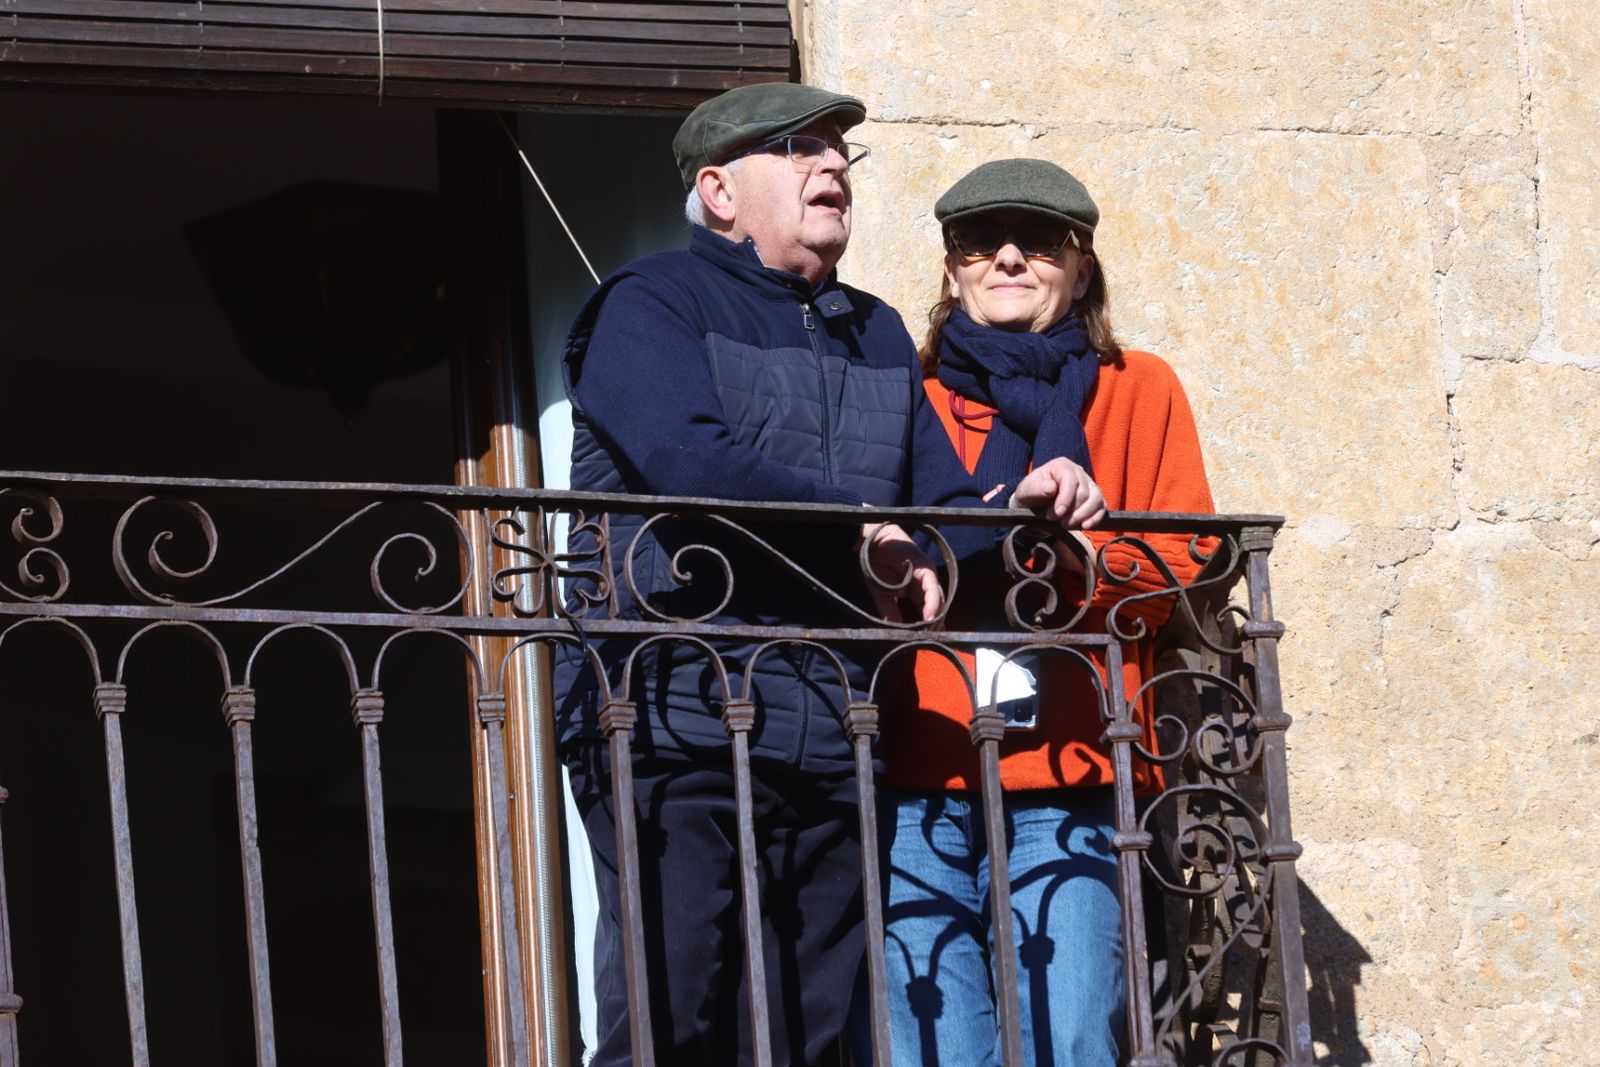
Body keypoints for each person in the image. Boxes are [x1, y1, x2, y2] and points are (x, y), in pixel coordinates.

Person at [555, 90, 1104, 1067]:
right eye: (795, 148)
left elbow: (939, 506)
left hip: (832, 719)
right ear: (718, 192)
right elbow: (692, 463)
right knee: (674, 1014)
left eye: (838, 148)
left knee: (806, 1027)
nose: (831, 165)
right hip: (667, 707)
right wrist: (866, 530)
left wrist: (1027, 505)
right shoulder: (648, 303)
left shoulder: (877, 331)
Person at [875, 158, 1215, 1065]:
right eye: (981, 242)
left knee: (1071, 1042)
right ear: (951, 269)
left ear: (1083, 263)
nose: (1010, 258)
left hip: (1077, 772)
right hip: (920, 772)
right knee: (932, 1050)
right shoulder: (907, 394)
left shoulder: (1138, 387)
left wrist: (1077, 552)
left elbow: (1186, 563)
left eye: (1040, 241)